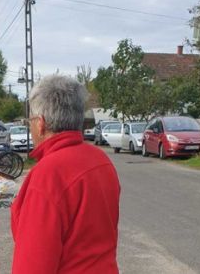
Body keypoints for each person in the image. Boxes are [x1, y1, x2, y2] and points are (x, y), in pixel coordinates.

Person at [11, 75, 121, 274]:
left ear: (41, 123)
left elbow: (33, 264)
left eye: (30, 120)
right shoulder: (101, 161)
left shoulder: (48, 174)